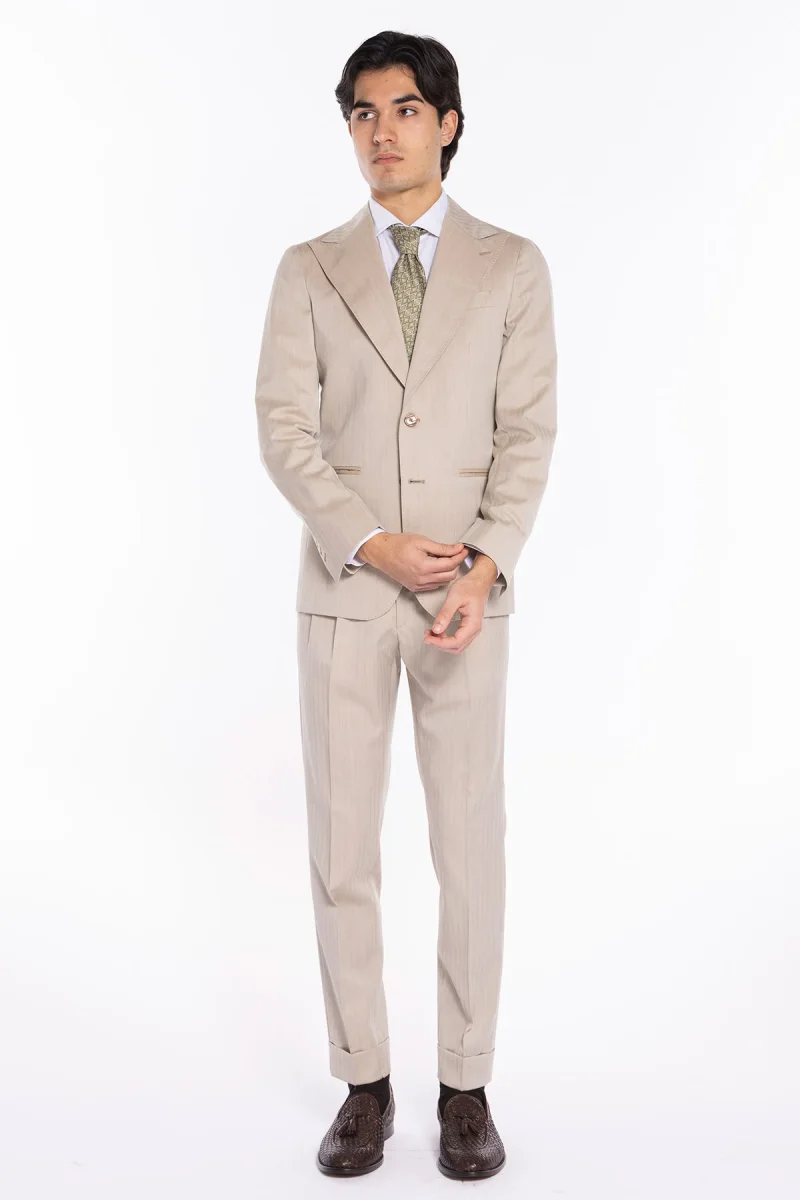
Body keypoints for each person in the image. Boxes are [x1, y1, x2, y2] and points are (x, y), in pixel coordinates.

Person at [253, 29, 557, 1181]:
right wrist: (367, 539)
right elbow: (283, 428)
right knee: (343, 848)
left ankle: (465, 1086)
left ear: (448, 123)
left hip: (462, 599)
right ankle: (363, 1083)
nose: (380, 133)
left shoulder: (511, 267)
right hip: (345, 589)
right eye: (362, 114)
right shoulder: (308, 269)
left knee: (468, 846)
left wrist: (485, 566)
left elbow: (526, 433)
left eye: (403, 110)